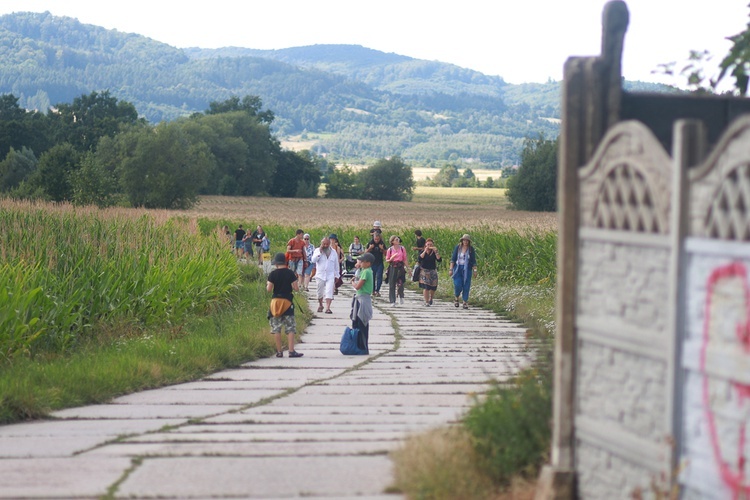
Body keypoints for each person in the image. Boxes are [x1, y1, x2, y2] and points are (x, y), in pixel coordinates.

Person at [266, 252, 303, 358]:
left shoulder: (272, 274)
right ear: (285, 262)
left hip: (275, 302)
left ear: (276, 263)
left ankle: (279, 351)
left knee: (276, 328)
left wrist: (267, 284)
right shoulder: (290, 273)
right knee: (290, 327)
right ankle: (291, 351)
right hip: (287, 301)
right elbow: (296, 288)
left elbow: (269, 289)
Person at [350, 252, 375, 354]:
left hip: (363, 299)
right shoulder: (367, 271)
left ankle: (362, 347)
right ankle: (361, 347)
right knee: (360, 323)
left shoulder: (366, 272)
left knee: (362, 323)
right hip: (362, 298)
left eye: (363, 261)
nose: (361, 263)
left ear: (368, 263)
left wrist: (352, 282)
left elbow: (357, 287)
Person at [311, 236, 340, 314]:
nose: (325, 246)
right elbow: (313, 260)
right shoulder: (317, 251)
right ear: (321, 243)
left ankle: (328, 308)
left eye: (327, 244)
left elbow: (336, 265)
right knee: (320, 292)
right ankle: (320, 304)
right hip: (320, 275)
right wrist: (320, 252)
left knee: (329, 291)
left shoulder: (333, 252)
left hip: (330, 275)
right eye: (324, 244)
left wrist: (337, 275)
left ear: (329, 244)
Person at [449, 234, 478, 310]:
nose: (465, 242)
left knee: (466, 285)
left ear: (469, 242)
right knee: (457, 284)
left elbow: (473, 261)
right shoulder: (458, 248)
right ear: (462, 241)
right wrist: (451, 269)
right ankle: (456, 297)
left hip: (467, 269)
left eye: (467, 240)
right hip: (458, 268)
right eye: (464, 240)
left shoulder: (471, 249)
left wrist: (475, 270)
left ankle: (465, 301)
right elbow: (453, 259)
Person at [385, 235, 408, 306]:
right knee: (392, 284)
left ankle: (401, 295)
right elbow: (387, 260)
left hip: (400, 266)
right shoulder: (390, 250)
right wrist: (391, 258)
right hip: (393, 266)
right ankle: (392, 301)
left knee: (400, 283)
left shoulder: (402, 248)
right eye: (396, 240)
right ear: (392, 242)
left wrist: (408, 268)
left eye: (398, 239)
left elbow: (404, 258)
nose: (397, 241)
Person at [418, 238, 442, 306]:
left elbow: (439, 260)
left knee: (433, 286)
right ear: (425, 245)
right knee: (426, 287)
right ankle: (426, 301)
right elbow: (420, 259)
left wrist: (436, 252)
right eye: (428, 244)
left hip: (432, 270)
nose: (429, 246)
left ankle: (431, 298)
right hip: (424, 271)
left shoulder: (434, 252)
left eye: (431, 244)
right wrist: (425, 251)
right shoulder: (423, 251)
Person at [366, 231, 387, 297]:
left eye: (378, 239)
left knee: (379, 277)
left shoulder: (382, 243)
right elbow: (365, 252)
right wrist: (370, 248)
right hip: (372, 263)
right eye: (375, 239)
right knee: (372, 277)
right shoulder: (371, 243)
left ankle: (377, 290)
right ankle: (373, 290)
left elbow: (386, 254)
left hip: (379, 262)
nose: (376, 241)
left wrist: (382, 249)